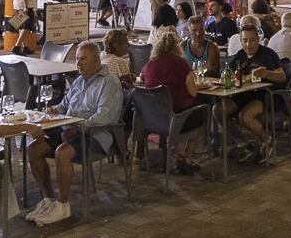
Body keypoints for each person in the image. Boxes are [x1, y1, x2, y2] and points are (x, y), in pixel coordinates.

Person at [25, 41, 123, 226]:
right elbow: (64, 105)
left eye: (83, 59)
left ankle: (63, 205)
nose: (78, 64)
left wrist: (78, 126)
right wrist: (51, 111)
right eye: (77, 59)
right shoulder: (79, 81)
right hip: (69, 130)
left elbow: (105, 116)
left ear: (96, 60)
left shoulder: (109, 82)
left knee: (63, 153)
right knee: (34, 148)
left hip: (95, 134)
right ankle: (48, 199)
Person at [139, 27, 201, 171]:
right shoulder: (181, 64)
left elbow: (143, 81)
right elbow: (193, 93)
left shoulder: (149, 65)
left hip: (154, 118)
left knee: (175, 111)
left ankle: (180, 154)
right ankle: (187, 156)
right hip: (179, 117)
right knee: (201, 113)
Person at [224, 20, 284, 163]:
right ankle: (243, 144)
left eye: (252, 40)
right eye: (244, 40)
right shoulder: (240, 55)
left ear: (258, 40)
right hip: (243, 95)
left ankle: (267, 141)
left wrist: (267, 73)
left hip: (265, 95)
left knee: (245, 116)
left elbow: (282, 76)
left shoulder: (268, 54)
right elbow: (228, 74)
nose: (248, 44)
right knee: (218, 110)